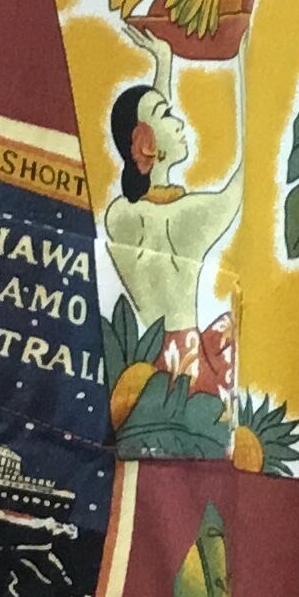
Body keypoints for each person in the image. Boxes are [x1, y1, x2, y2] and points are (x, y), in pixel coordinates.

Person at [102, 20, 241, 390]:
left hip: (145, 362)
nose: (180, 122)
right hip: (190, 370)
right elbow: (247, 174)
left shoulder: (120, 215)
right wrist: (247, 70)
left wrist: (164, 65)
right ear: (147, 143)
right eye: (168, 115)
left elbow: (150, 156)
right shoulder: (188, 217)